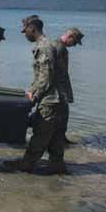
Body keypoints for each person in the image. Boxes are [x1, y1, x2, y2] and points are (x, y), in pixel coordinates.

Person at [5, 15, 68, 174]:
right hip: (60, 99)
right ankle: (57, 165)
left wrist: (34, 97)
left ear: (32, 29)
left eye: (25, 31)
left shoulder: (44, 47)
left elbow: (45, 77)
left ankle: (27, 164)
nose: (24, 34)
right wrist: (32, 90)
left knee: (41, 133)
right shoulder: (52, 44)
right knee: (56, 136)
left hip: (50, 100)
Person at [55, 27, 84, 144]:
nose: (75, 45)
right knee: (61, 115)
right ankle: (58, 140)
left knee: (62, 115)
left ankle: (60, 138)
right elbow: (54, 71)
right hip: (58, 90)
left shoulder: (59, 47)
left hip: (60, 88)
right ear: (70, 37)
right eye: (75, 42)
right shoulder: (59, 48)